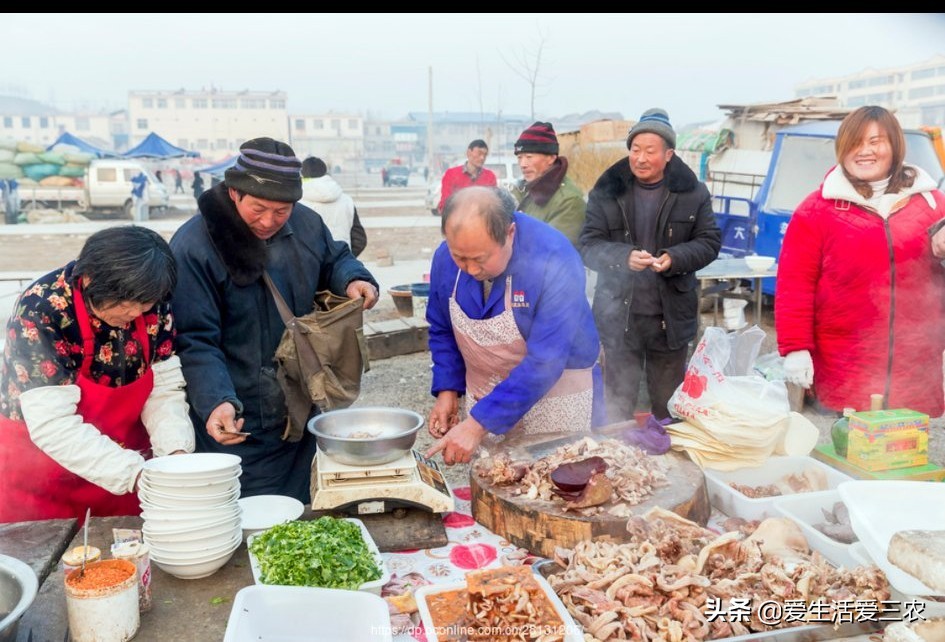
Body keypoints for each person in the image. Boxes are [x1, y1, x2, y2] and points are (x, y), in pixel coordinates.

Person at [170, 137, 379, 503]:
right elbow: (195, 339)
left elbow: (335, 257)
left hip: (300, 402)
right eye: (259, 208)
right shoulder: (195, 247)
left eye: (281, 211)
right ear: (234, 193)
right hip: (240, 417)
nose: (269, 221)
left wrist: (354, 278)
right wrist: (217, 400)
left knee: (305, 506)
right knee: (252, 517)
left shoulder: (306, 223)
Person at [0, 226, 195, 522]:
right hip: (44, 472)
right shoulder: (42, 310)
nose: (134, 314)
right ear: (89, 278)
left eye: (143, 305)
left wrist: (174, 453)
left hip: (123, 468)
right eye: (123, 303)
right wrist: (133, 472)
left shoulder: (152, 298)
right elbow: (52, 424)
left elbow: (163, 388)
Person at [777, 105, 945, 417]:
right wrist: (796, 348)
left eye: (876, 141)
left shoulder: (933, 204)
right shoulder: (816, 210)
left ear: (894, 145)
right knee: (850, 455)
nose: (864, 151)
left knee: (905, 456)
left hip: (916, 367)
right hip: (846, 365)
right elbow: (794, 285)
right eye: (855, 142)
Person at [424, 186, 605, 466]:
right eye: (460, 258)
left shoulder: (554, 258)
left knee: (558, 485)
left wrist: (476, 425)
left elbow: (546, 361)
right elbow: (441, 327)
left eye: (480, 259)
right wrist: (448, 389)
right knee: (496, 480)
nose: (470, 269)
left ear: (509, 233)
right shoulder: (445, 257)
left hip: (556, 395)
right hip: (485, 394)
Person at [580, 108, 721, 423]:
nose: (640, 158)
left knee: (668, 406)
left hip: (668, 319)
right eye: (635, 150)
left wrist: (675, 257)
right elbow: (588, 245)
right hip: (619, 319)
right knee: (617, 405)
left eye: (650, 151)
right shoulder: (607, 191)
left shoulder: (692, 192)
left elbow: (709, 241)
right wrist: (623, 257)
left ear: (669, 154)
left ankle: (666, 464)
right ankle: (618, 463)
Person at [509, 121, 586, 247]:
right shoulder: (520, 190)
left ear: (551, 158)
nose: (523, 164)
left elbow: (553, 250)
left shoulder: (569, 201)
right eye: (519, 157)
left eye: (529, 157)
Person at [300, 156, 367, 256]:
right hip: (341, 266)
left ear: (302, 174)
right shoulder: (346, 200)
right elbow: (359, 240)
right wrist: (346, 259)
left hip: (308, 265)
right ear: (325, 172)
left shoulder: (296, 202)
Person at [436, 139, 497, 215]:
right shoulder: (451, 174)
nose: (482, 158)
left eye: (485, 155)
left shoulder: (490, 177)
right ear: (468, 153)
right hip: (458, 221)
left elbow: (493, 204)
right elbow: (445, 204)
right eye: (479, 153)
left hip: (481, 222)